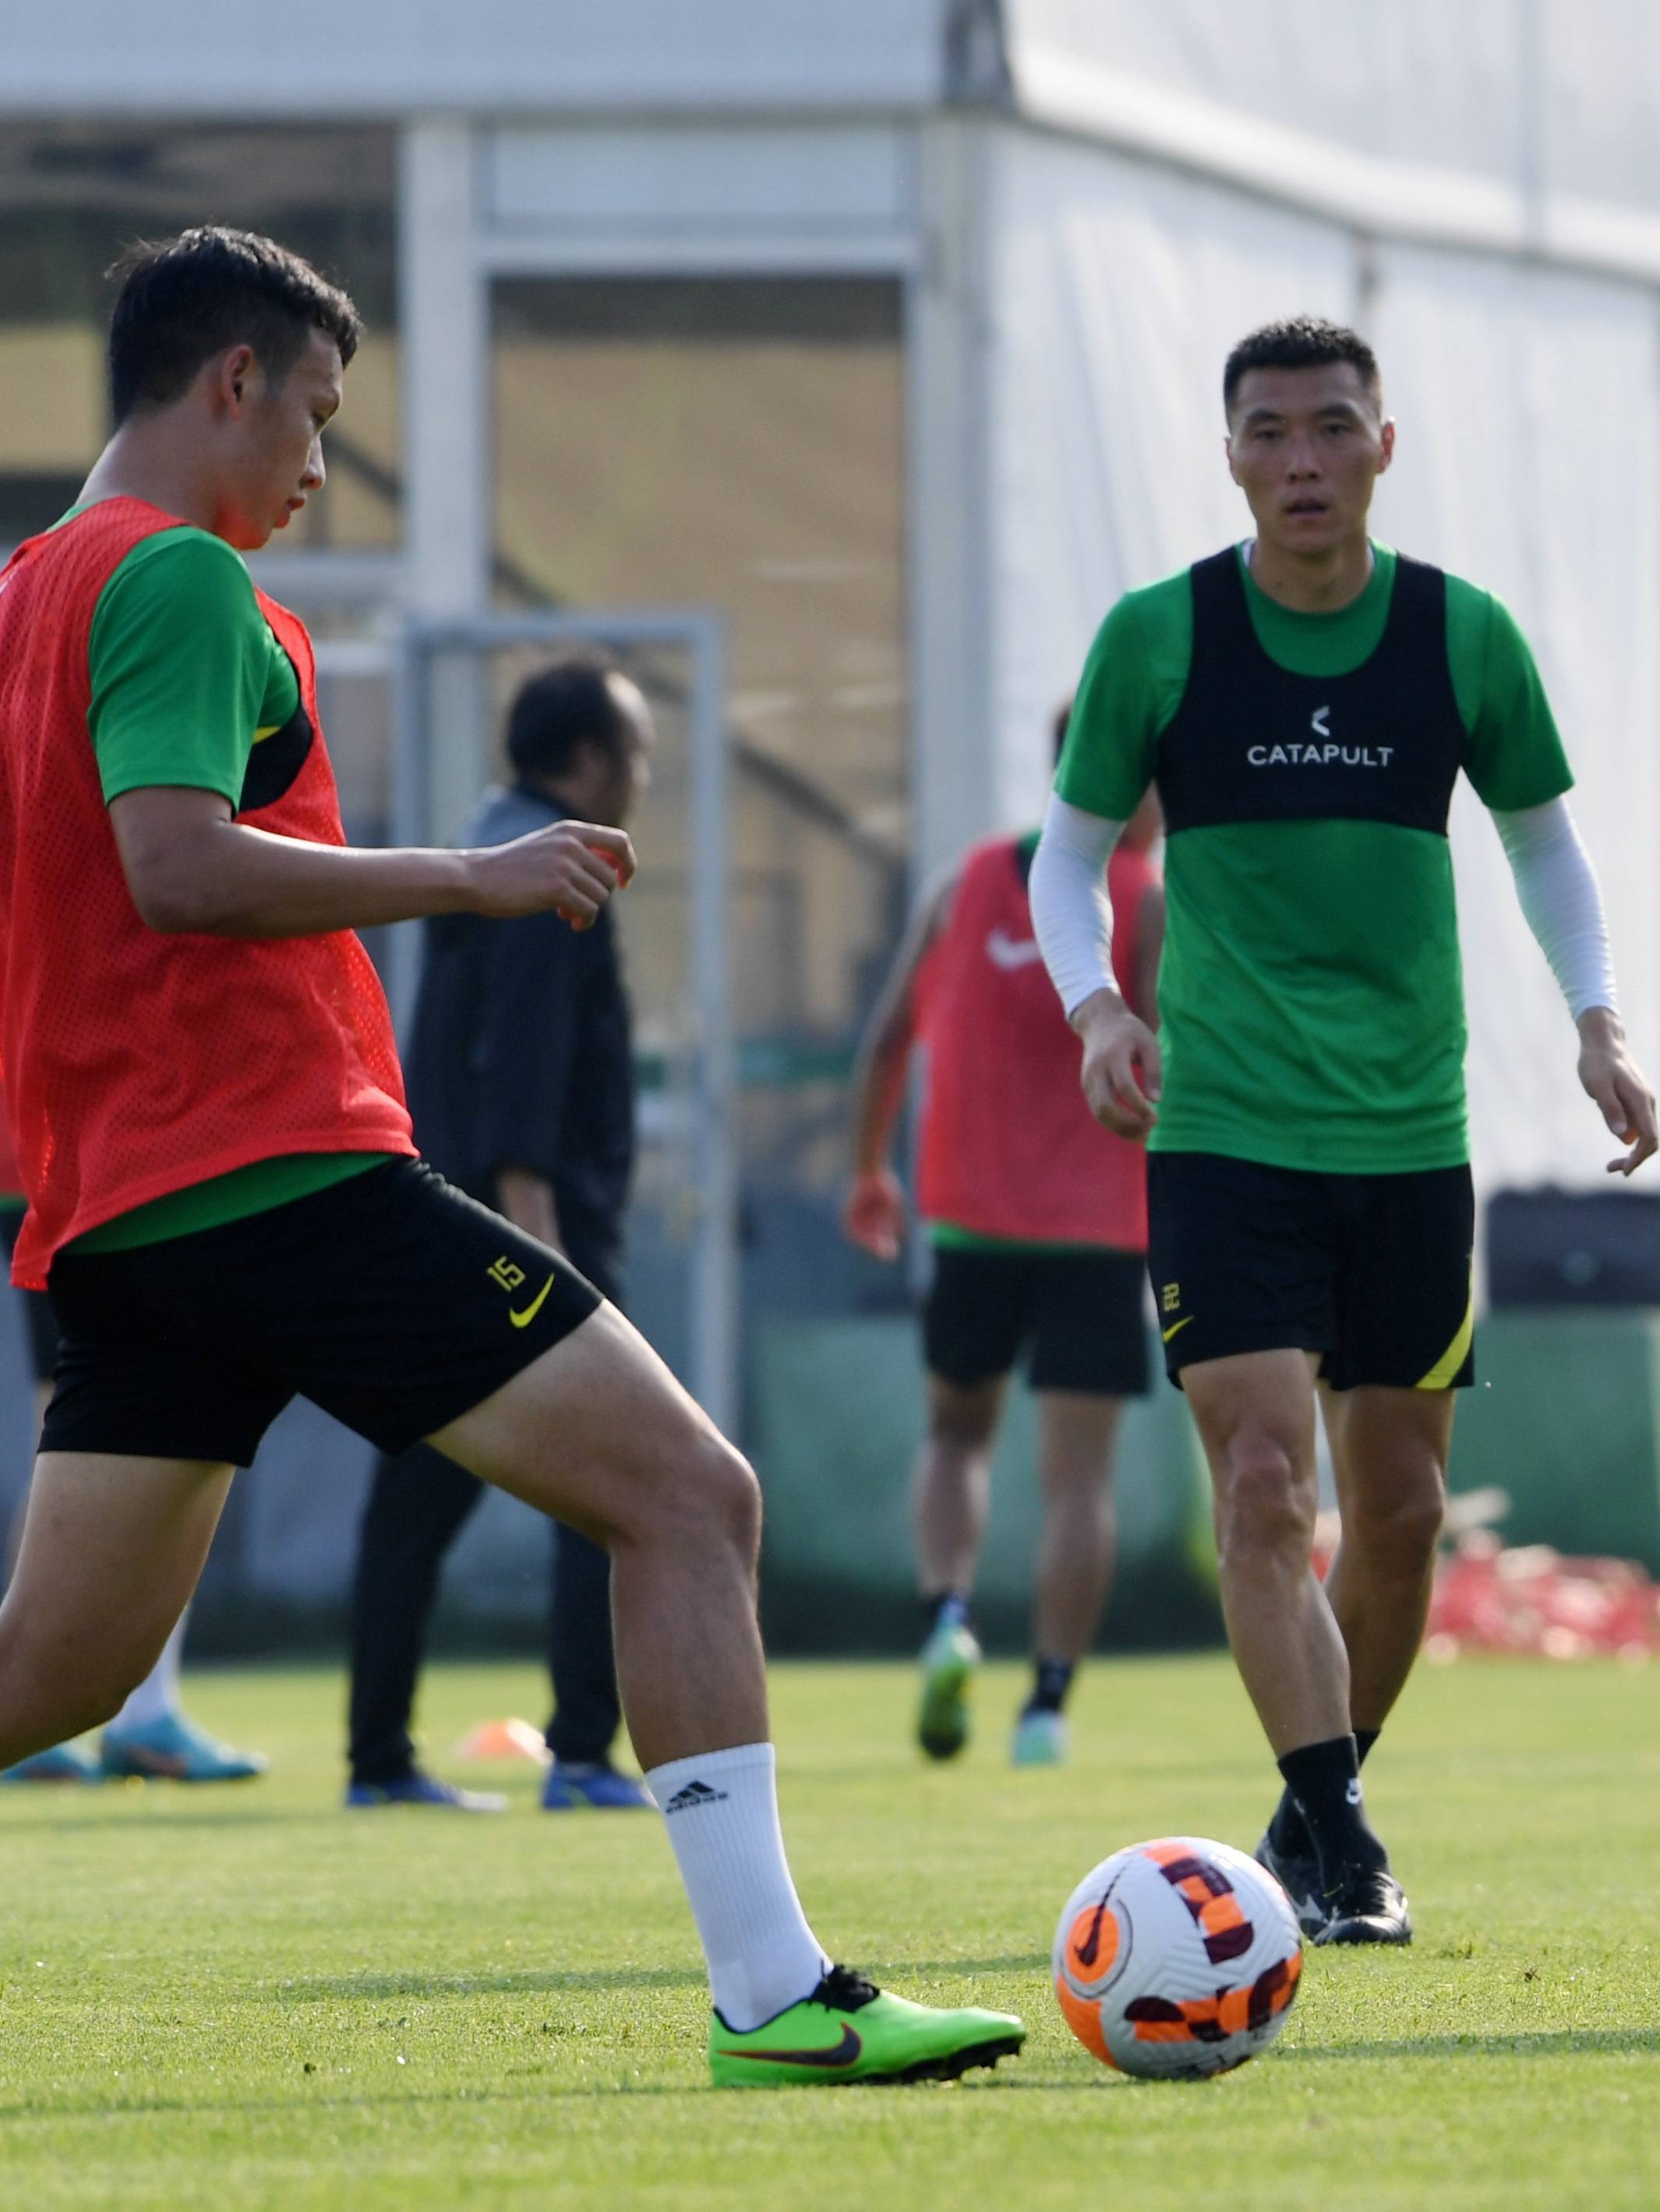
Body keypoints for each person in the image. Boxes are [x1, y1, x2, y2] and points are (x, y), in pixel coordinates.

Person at [0, 225, 1020, 2085]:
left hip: (131, 1206)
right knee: (694, 1498)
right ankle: (773, 1989)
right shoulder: (178, 581)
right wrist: (463, 874)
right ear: (230, 381)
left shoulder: (26, 592)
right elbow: (175, 863)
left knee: (51, 1678)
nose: (320, 458)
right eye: (315, 410)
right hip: (279, 1171)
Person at [1033, 316, 1660, 1948]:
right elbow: (1069, 852)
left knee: (1397, 1518)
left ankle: (1313, 1804)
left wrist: (1597, 1024)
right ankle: (1346, 1837)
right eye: (1268, 434)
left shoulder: (1463, 638)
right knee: (1261, 1486)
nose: (1300, 461)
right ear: (1230, 452)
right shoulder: (1158, 639)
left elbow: (1545, 851)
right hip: (1226, 1132)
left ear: (1386, 443)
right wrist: (1101, 1009)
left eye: (1330, 429)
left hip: (1408, 1138)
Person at [343, 661, 650, 1814]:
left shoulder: (493, 842)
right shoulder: (546, 867)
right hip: (529, 1226)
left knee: (419, 1490)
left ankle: (377, 1758)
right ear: (584, 759)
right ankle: (578, 1751)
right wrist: (546, 1246)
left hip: (447, 1219)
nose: (643, 771)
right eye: (633, 747)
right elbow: (521, 1063)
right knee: (622, 1473)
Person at [844, 711, 1164, 1769]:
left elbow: (888, 1035)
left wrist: (866, 1167)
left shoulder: (964, 880)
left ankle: (947, 1616)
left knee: (955, 1436)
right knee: (1077, 1479)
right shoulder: (1143, 899)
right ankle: (1047, 1704)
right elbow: (1176, 1060)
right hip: (1098, 1228)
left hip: (970, 1219)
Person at [0, 1092, 266, 1787]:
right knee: (98, 1423)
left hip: (73, 1155)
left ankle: (116, 1714)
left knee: (85, 1421)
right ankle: (107, 1715)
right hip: (67, 1160)